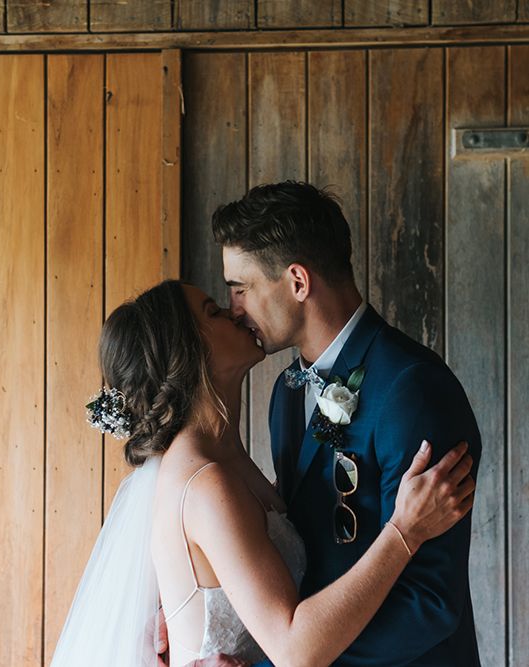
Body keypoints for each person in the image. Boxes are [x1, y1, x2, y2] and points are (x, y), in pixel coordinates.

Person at [50, 279, 475, 667]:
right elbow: (293, 649)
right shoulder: (206, 482)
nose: (234, 311)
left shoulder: (232, 455)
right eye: (214, 312)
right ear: (188, 351)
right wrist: (406, 530)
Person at [197, 180, 481, 666]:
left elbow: (429, 604)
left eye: (241, 289)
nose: (234, 308)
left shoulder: (413, 390)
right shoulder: (287, 392)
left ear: (298, 282)